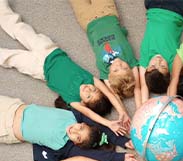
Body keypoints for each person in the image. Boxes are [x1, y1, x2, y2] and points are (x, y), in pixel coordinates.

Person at [0, 0, 130, 134]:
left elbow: (91, 115)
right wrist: (123, 111)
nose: (88, 90)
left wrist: (109, 124)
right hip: (49, 49)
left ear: (83, 102)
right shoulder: (89, 79)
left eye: (88, 96)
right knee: (20, 29)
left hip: (39, 68)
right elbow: (109, 93)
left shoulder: (73, 99)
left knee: (11, 58)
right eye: (94, 91)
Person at [0, 95, 140, 161]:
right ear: (83, 123)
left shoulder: (63, 145)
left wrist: (120, 158)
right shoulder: (74, 116)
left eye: (78, 137)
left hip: (7, 128)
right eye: (80, 128)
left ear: (76, 144)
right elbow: (99, 125)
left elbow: (91, 157)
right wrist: (122, 140)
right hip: (14, 106)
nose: (74, 131)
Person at [69, 0, 141, 109]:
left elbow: (113, 95)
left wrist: (123, 112)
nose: (119, 64)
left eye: (115, 70)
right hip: (106, 12)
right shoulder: (130, 59)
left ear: (109, 75)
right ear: (130, 68)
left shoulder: (104, 69)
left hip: (88, 21)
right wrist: (140, 108)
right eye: (125, 68)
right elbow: (138, 88)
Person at [139, 0, 183, 103]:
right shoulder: (172, 61)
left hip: (153, 7)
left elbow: (143, 85)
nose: (158, 60)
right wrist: (171, 105)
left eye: (153, 66)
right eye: (163, 66)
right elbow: (173, 83)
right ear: (168, 70)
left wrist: (142, 108)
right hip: (174, 9)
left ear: (147, 68)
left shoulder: (146, 58)